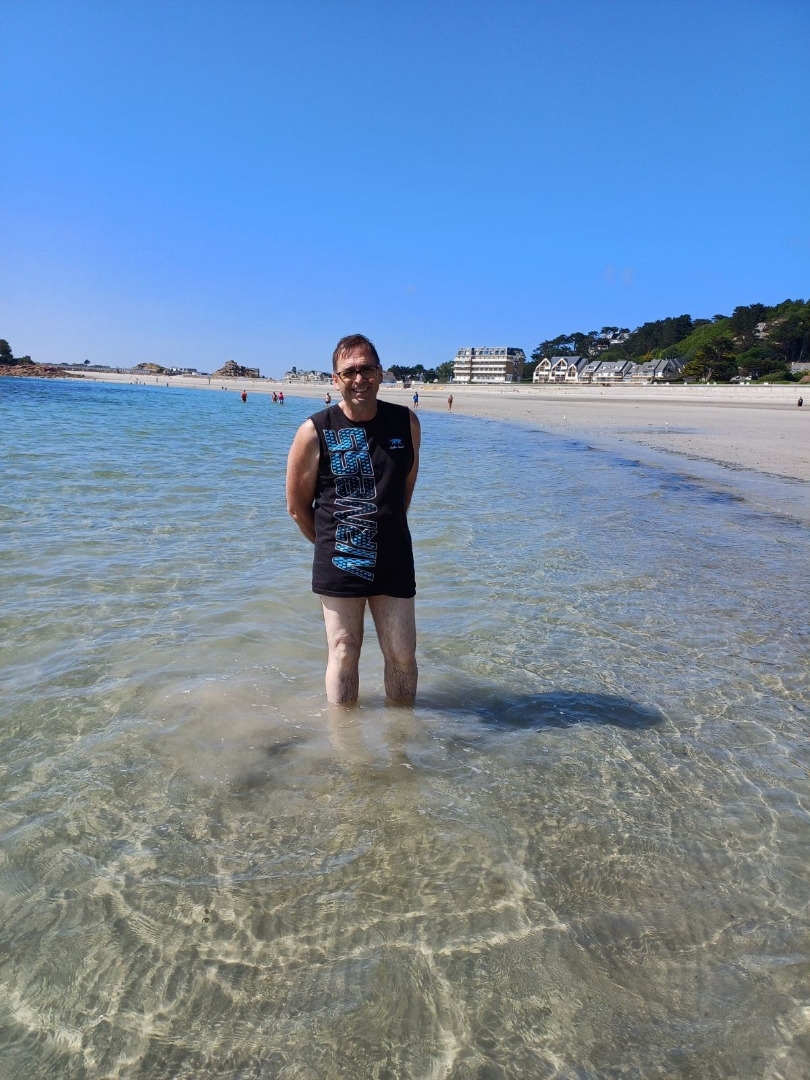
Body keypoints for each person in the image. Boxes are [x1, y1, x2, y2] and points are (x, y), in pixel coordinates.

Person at [286, 333, 420, 705]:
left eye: (367, 370)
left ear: (380, 372)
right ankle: (344, 737)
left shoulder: (406, 422)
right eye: (349, 372)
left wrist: (384, 530)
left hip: (393, 556)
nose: (359, 379)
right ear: (336, 379)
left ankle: (402, 734)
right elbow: (297, 507)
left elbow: (404, 490)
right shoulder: (314, 431)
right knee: (344, 649)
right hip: (340, 559)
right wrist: (332, 544)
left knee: (402, 654)